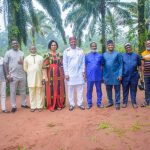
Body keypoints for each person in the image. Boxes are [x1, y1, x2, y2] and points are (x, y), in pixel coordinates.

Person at [4, 39, 29, 113]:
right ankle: (14, 106)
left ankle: (23, 104)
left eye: (16, 43)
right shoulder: (8, 53)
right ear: (11, 45)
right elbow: (5, 64)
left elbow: (24, 63)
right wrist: (7, 75)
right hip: (13, 75)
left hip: (22, 74)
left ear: (18, 44)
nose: (15, 44)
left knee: (23, 90)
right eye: (13, 43)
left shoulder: (21, 53)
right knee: (13, 91)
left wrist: (23, 62)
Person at [63, 37, 85, 111]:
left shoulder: (80, 51)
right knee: (70, 89)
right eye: (71, 41)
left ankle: (80, 104)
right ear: (69, 42)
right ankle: (71, 104)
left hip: (79, 73)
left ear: (76, 41)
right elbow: (65, 63)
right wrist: (66, 73)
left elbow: (83, 62)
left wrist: (83, 71)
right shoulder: (66, 51)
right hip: (70, 73)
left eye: (74, 41)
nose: (73, 43)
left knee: (80, 89)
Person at [43, 40, 65, 111]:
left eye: (55, 45)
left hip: (59, 74)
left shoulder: (60, 54)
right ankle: (51, 105)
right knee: (51, 89)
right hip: (50, 75)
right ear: (50, 46)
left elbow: (63, 65)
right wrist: (45, 76)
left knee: (59, 89)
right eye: (52, 45)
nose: (53, 46)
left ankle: (59, 104)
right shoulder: (47, 55)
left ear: (57, 46)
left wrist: (63, 74)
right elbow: (44, 66)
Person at [103, 40, 123, 110]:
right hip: (107, 75)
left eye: (111, 45)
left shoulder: (118, 54)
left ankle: (117, 103)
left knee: (117, 90)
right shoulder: (104, 54)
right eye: (109, 45)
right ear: (107, 46)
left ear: (113, 46)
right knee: (108, 89)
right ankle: (110, 102)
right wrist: (104, 76)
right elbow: (103, 66)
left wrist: (120, 75)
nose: (110, 46)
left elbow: (121, 65)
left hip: (116, 75)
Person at [24, 46, 43, 112]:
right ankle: (33, 106)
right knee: (32, 92)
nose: (33, 50)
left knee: (39, 91)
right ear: (29, 50)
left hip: (39, 77)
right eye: (31, 49)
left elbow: (42, 67)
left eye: (34, 48)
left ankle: (39, 106)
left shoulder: (40, 57)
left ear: (36, 49)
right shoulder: (26, 58)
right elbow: (25, 68)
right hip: (30, 77)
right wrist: (30, 72)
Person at [122, 43, 141, 108]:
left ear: (131, 47)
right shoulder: (122, 56)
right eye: (126, 47)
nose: (128, 48)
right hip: (125, 76)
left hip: (134, 76)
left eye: (129, 47)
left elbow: (139, 65)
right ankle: (124, 102)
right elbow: (121, 66)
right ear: (125, 49)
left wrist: (139, 74)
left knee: (133, 89)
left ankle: (134, 102)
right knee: (125, 89)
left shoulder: (136, 55)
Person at [85, 42, 103, 109]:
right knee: (89, 90)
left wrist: (101, 73)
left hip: (98, 75)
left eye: (95, 46)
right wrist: (85, 74)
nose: (94, 47)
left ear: (96, 47)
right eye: (92, 46)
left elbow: (101, 65)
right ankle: (89, 103)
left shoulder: (100, 56)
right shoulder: (87, 56)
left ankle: (99, 103)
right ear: (90, 47)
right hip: (90, 76)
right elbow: (85, 65)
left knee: (99, 90)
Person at [141, 40, 150, 107]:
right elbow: (142, 65)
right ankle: (147, 101)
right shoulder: (143, 53)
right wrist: (142, 76)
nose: (148, 44)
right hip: (146, 74)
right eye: (147, 44)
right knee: (147, 88)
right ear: (145, 45)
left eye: (149, 43)